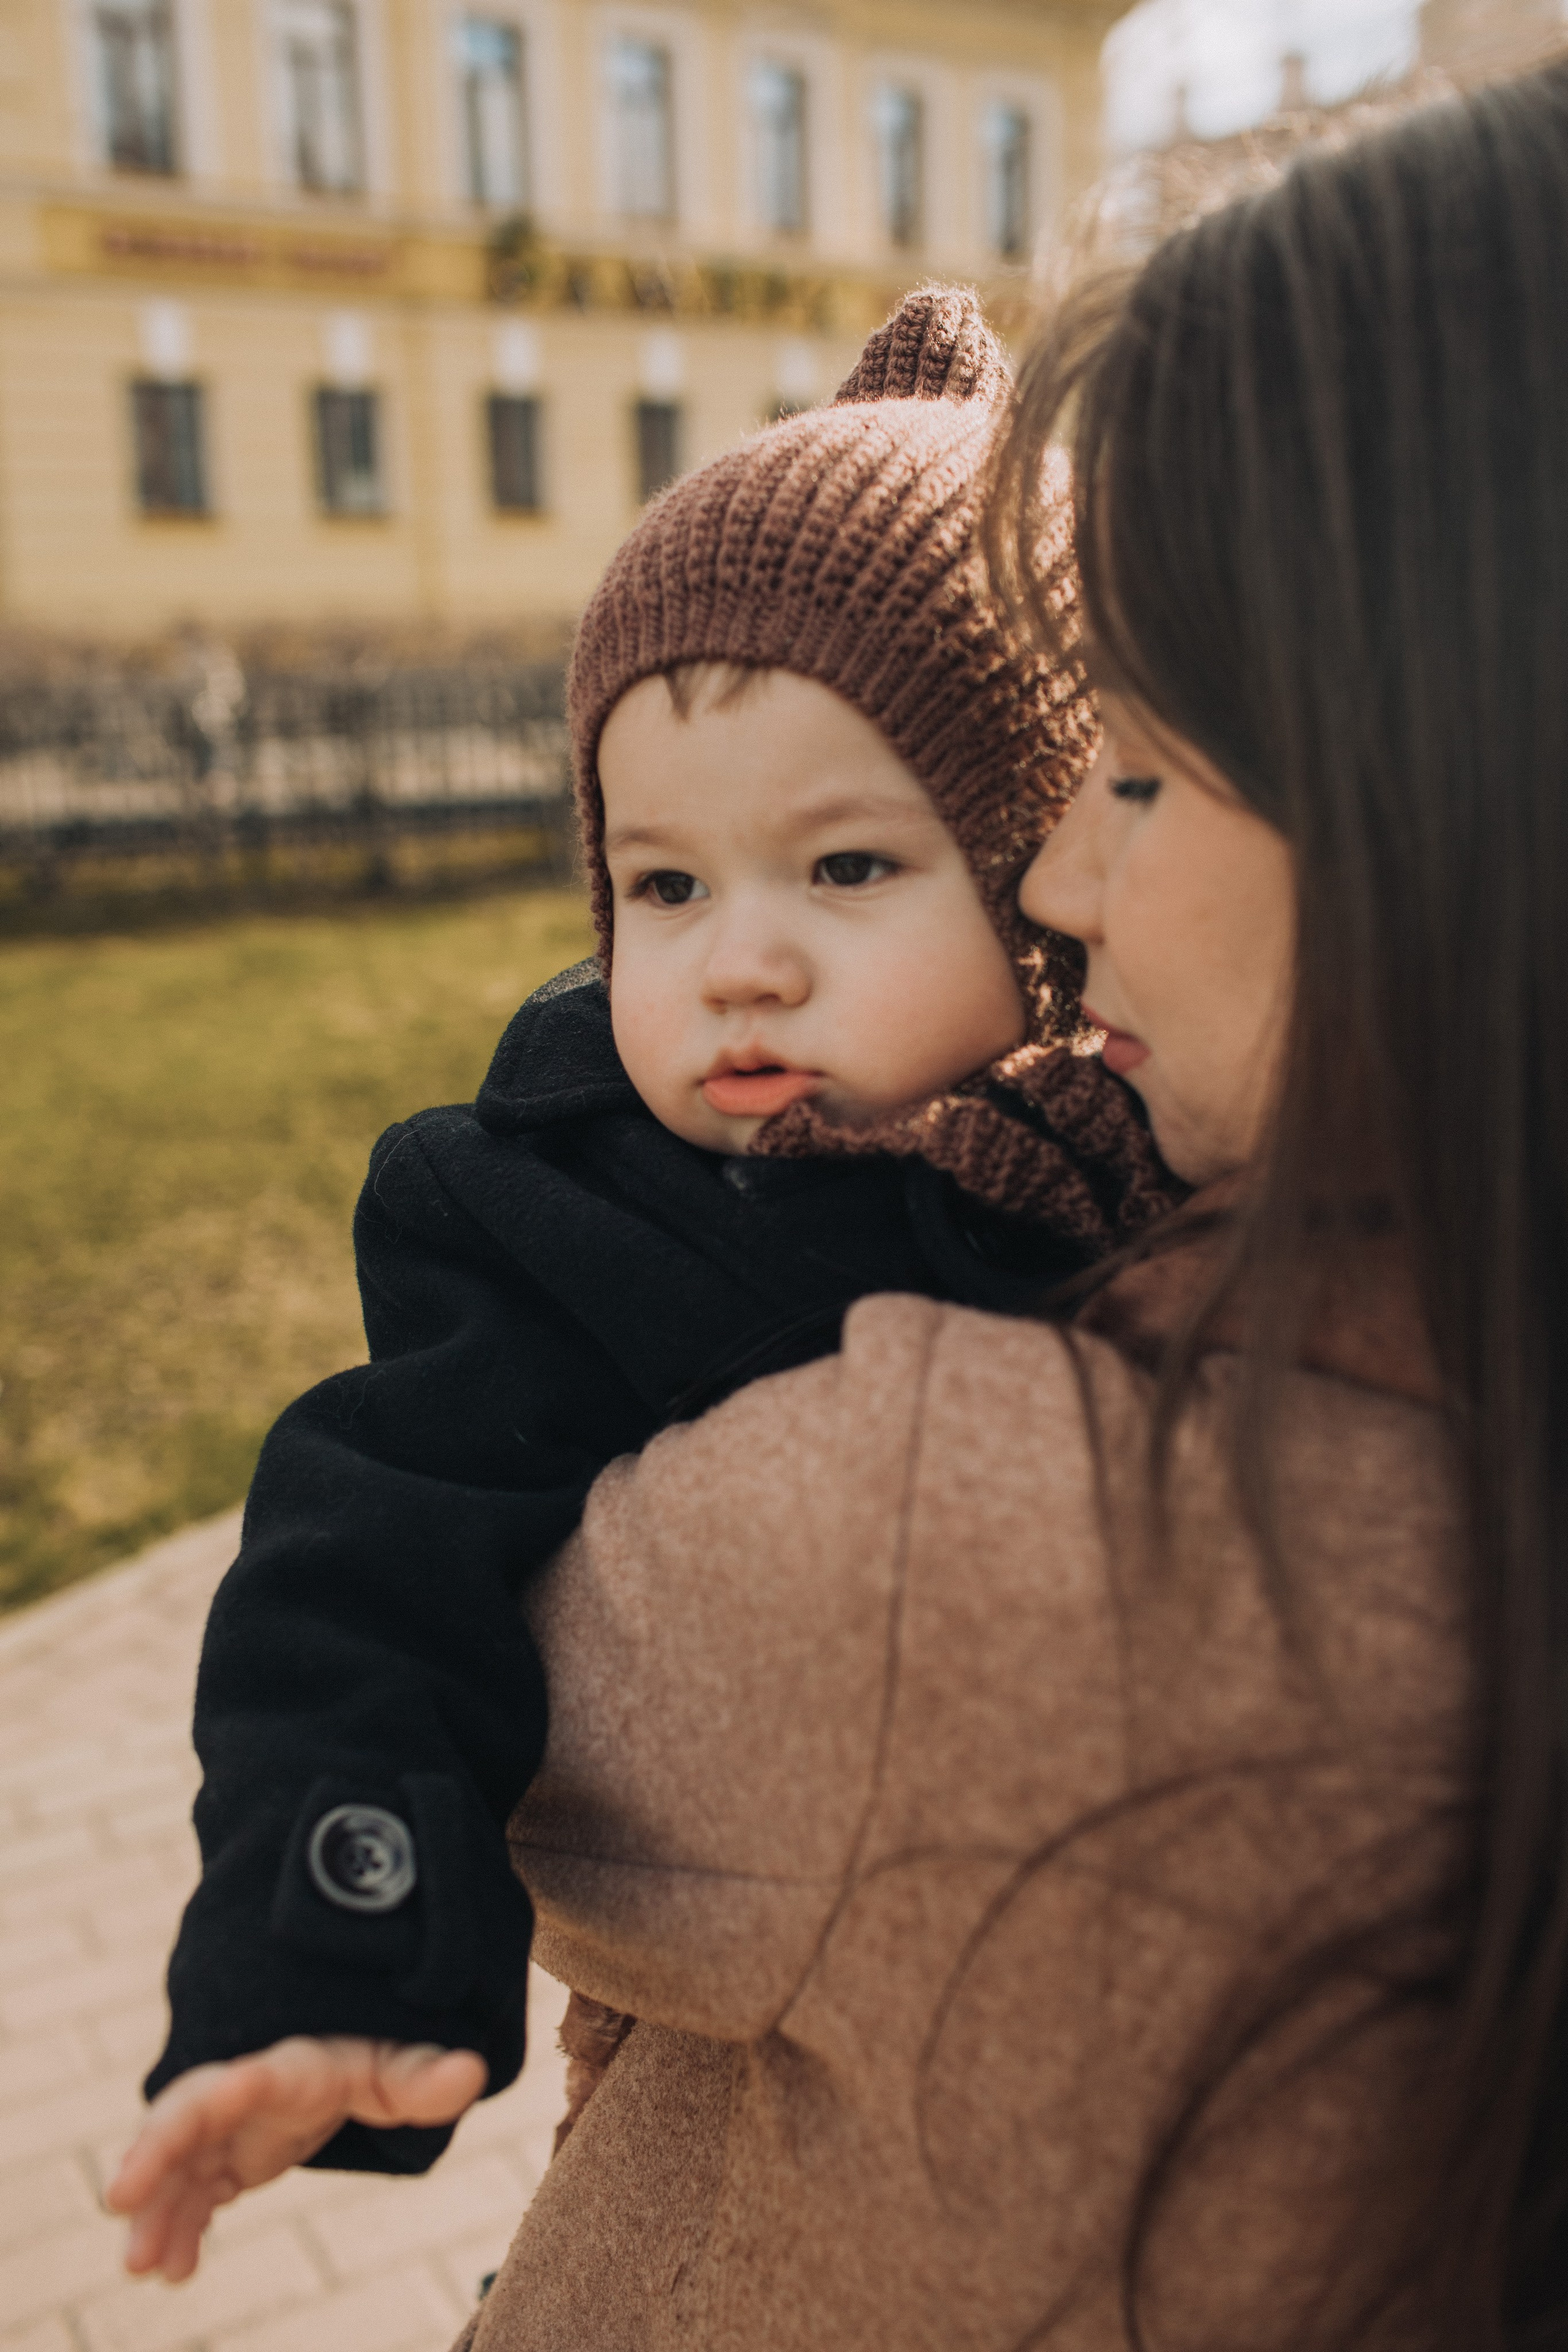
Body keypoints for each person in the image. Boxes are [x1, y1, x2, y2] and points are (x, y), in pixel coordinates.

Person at [434, 59, 1565, 2347]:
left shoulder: (963, 1532)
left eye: (1133, 771)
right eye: (661, 884)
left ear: (1440, 798)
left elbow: (454, 1672)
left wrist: (578, 1134)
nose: (1056, 880)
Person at [108, 288, 1180, 2274]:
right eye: (665, 885)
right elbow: (360, 1582)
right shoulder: (555, 1213)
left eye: (846, 870)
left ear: (1048, 886)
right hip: (732, 2111)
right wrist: (329, 1961)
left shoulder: (1152, 1147)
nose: (735, 963)